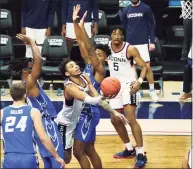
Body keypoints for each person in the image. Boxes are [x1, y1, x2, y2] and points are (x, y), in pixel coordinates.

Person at [56, 57, 128, 166]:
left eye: (75, 64)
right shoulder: (70, 87)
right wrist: (104, 96)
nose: (76, 66)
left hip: (79, 119)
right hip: (66, 123)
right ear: (67, 73)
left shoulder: (85, 78)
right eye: (71, 66)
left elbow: (96, 97)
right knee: (66, 158)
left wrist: (114, 112)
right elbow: (89, 99)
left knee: (80, 151)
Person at [71, 5, 113, 168]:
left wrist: (82, 29)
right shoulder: (89, 64)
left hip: (89, 112)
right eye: (96, 54)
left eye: (99, 54)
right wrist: (76, 24)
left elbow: (88, 47)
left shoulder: (100, 71)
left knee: (78, 151)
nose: (96, 55)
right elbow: (81, 43)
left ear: (105, 59)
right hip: (84, 111)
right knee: (89, 149)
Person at [16, 34, 64, 168]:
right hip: (46, 124)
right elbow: (39, 60)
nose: (35, 69)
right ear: (26, 71)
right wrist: (31, 41)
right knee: (58, 162)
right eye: (31, 67)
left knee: (48, 163)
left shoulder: (23, 84)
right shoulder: (30, 81)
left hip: (37, 128)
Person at [107, 25, 148, 168]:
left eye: (119, 34)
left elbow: (144, 66)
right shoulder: (107, 48)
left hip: (129, 86)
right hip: (114, 86)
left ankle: (141, 153)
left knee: (130, 119)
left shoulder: (130, 49)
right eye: (114, 34)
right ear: (110, 36)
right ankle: (129, 148)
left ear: (123, 36)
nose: (116, 36)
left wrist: (139, 82)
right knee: (115, 119)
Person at [1, 82, 64, 168]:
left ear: (11, 95)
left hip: (9, 158)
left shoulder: (2, 112)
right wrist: (56, 156)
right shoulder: (33, 111)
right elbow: (43, 137)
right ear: (25, 95)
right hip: (28, 157)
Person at [119, 0, 158, 102]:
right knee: (133, 68)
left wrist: (152, 41)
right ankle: (137, 89)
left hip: (143, 42)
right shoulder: (125, 10)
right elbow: (124, 27)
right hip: (130, 43)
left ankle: (152, 90)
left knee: (147, 67)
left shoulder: (146, 8)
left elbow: (151, 25)